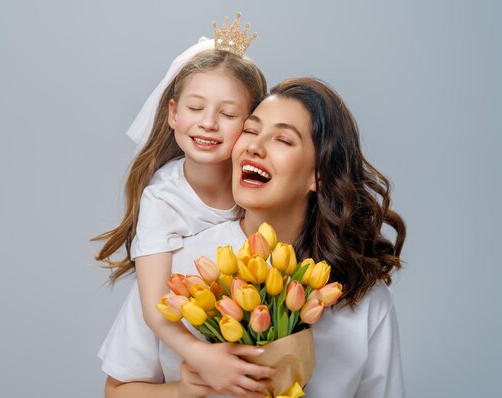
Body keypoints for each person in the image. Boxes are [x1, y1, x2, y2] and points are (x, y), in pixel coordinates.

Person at [99, 77, 407, 397]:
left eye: (283, 140)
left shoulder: (364, 299)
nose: (255, 147)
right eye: (250, 130)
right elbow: (117, 390)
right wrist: (183, 391)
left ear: (319, 175)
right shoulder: (178, 268)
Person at [93, 14, 273, 396]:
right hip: (185, 343)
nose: (208, 123)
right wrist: (202, 358)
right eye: (195, 108)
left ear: (251, 124)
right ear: (173, 113)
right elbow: (155, 306)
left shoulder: (261, 184)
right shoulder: (162, 198)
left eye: (227, 114)